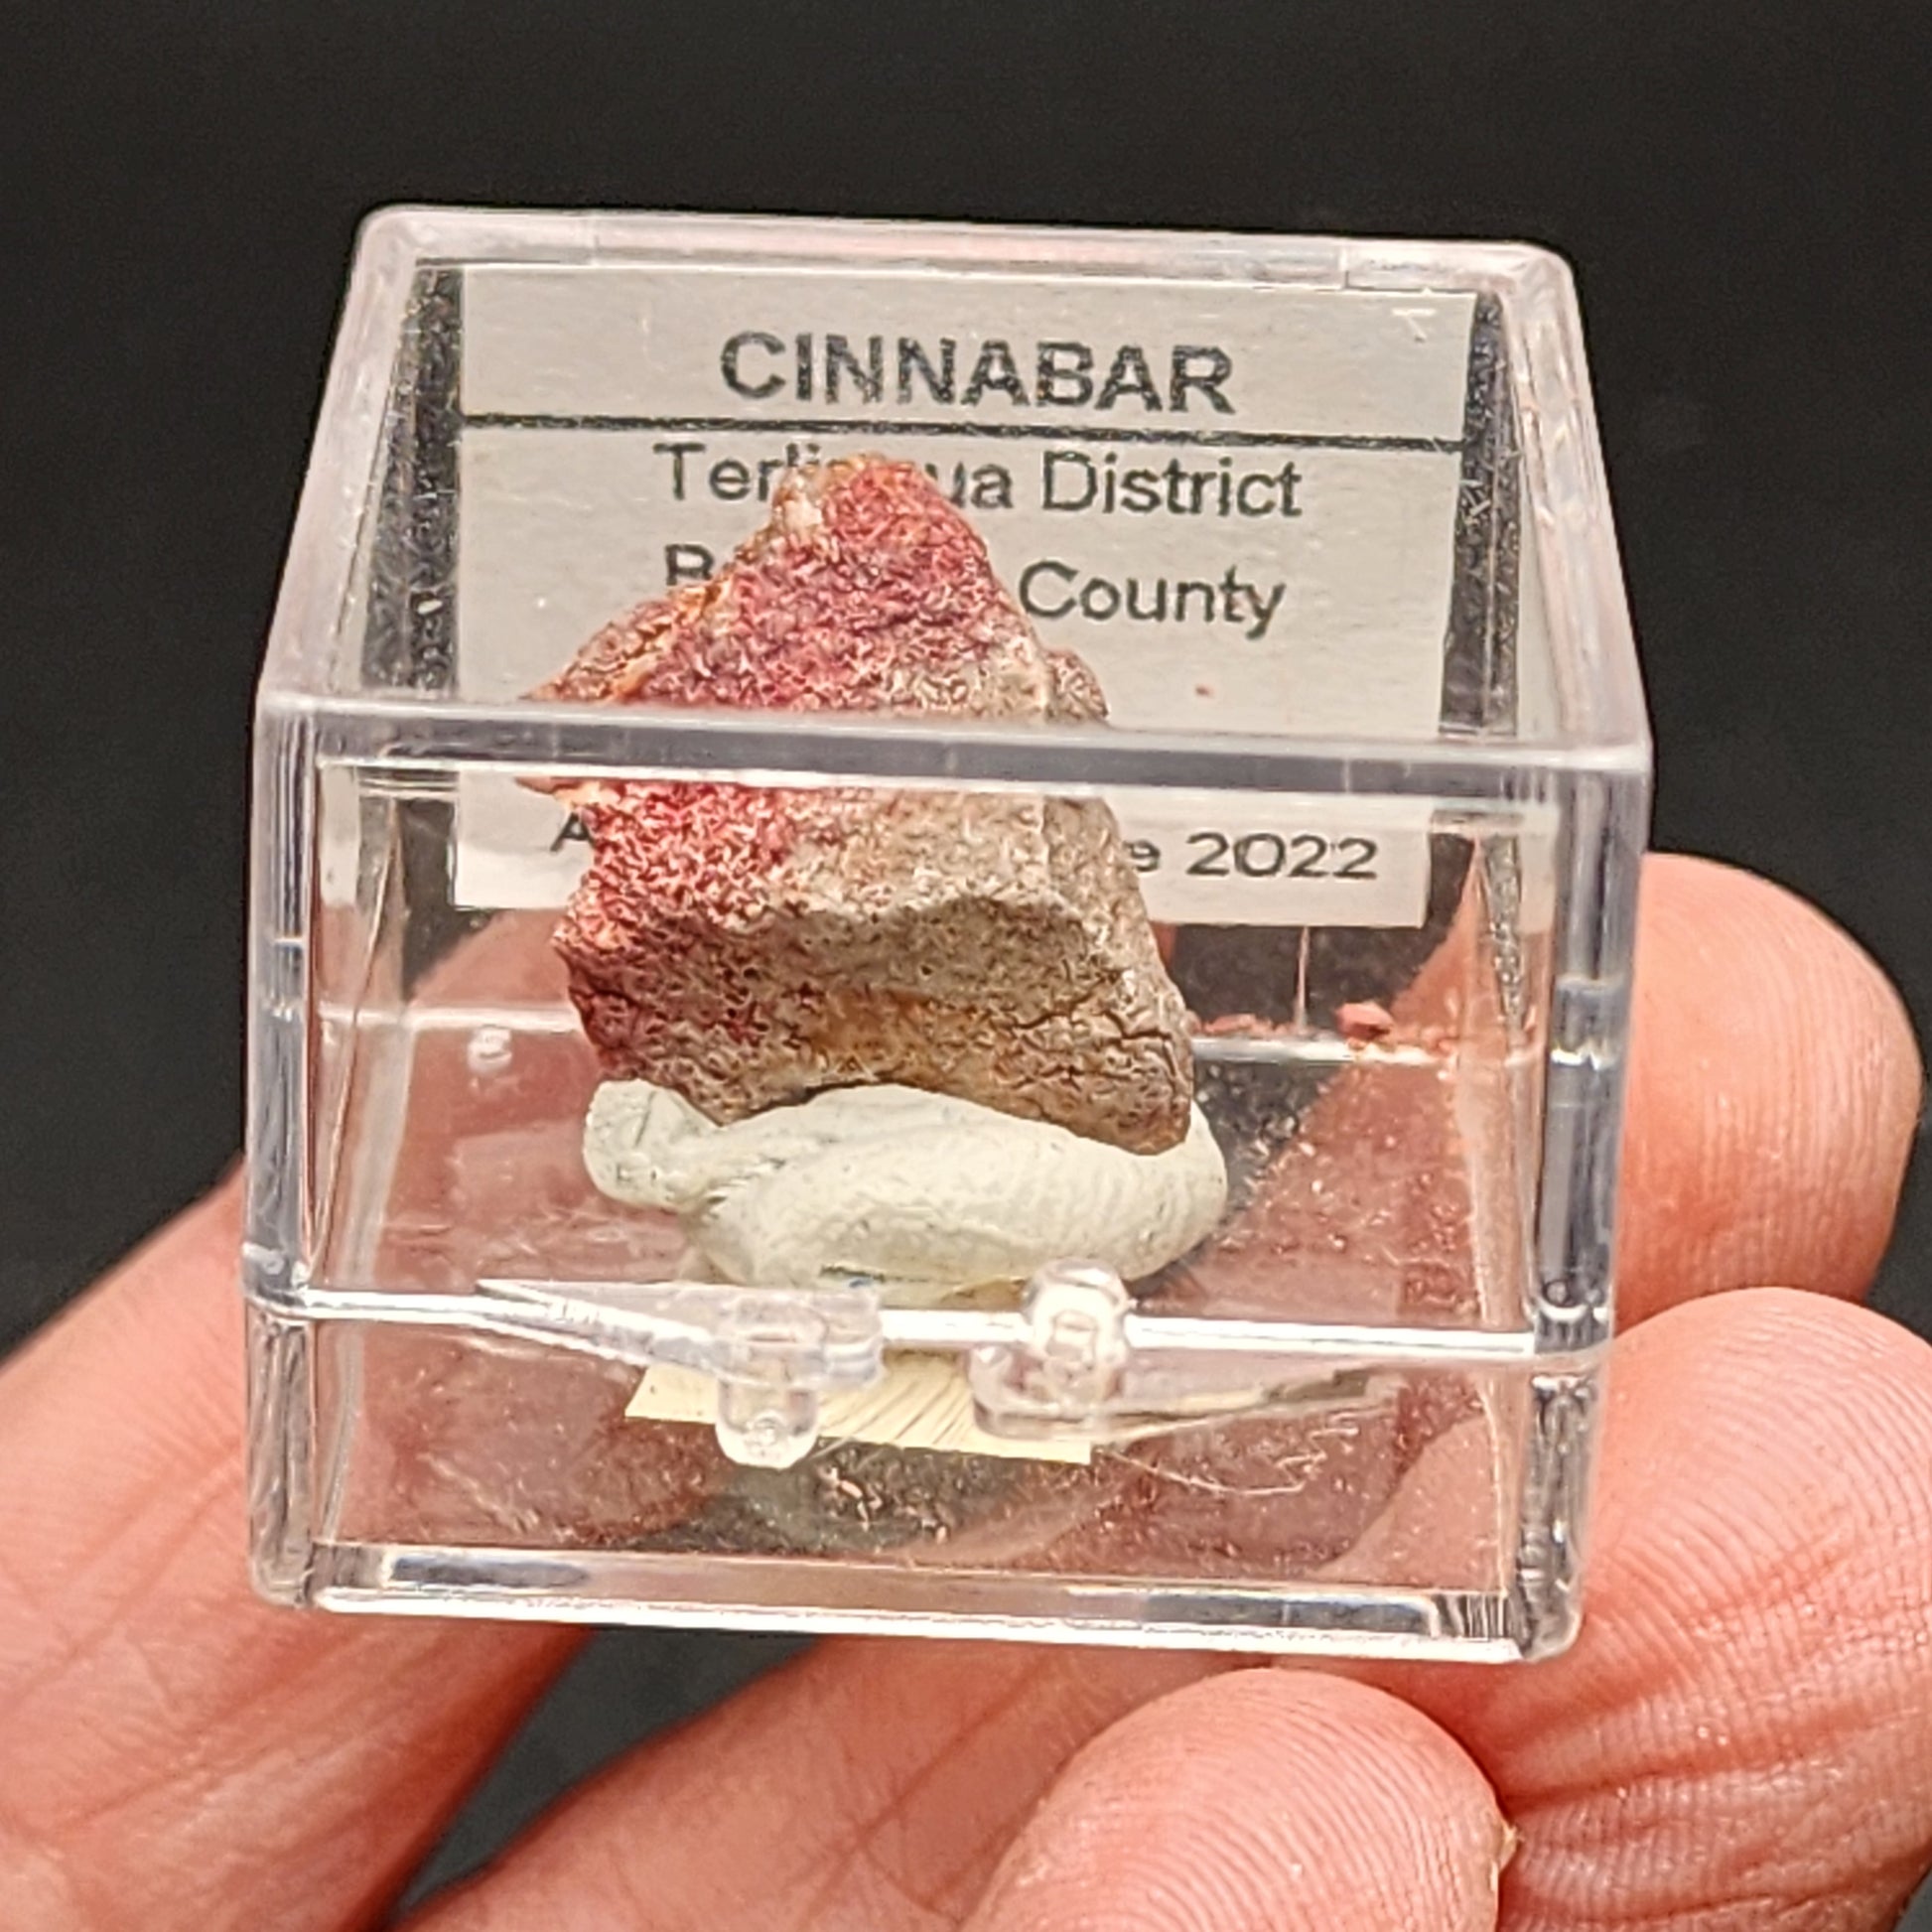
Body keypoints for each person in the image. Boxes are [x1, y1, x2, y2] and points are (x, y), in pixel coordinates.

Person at [0, 853, 1924, 1930]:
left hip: (1054, 1203)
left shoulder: (783, 1183)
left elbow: (854, 1205)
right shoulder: (758, 1177)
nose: (638, 1152)